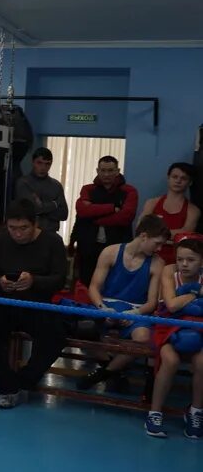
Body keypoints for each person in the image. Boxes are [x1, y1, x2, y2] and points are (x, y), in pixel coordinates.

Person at [0, 198, 68, 408]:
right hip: (3, 303)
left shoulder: (52, 242)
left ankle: (24, 380)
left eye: (23, 228)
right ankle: (5, 384)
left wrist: (34, 281)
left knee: (56, 334)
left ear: (35, 224)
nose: (17, 233)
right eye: (12, 228)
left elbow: (60, 280)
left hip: (37, 305)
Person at [74, 215, 168, 390]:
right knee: (84, 327)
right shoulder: (110, 252)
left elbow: (152, 302)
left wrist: (134, 314)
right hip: (107, 306)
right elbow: (94, 287)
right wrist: (103, 308)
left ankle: (104, 373)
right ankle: (114, 369)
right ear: (144, 236)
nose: (159, 248)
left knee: (143, 338)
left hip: (136, 311)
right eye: (157, 243)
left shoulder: (157, 263)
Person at [147, 236, 203, 439]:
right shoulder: (170, 272)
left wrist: (184, 300)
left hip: (198, 329)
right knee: (170, 360)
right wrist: (194, 294)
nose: (184, 264)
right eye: (180, 259)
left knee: (202, 363)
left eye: (191, 260)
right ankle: (154, 413)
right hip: (168, 327)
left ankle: (196, 412)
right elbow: (171, 305)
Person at [71, 156, 138, 286]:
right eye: (103, 170)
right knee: (86, 284)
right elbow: (82, 211)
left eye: (110, 170)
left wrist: (95, 217)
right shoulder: (88, 189)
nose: (106, 174)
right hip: (88, 247)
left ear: (117, 171)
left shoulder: (129, 191)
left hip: (117, 246)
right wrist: (112, 208)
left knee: (114, 285)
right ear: (97, 171)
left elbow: (125, 217)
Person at [140, 163, 200, 265]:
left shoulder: (193, 210)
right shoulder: (152, 203)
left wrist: (153, 234)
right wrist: (171, 238)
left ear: (190, 182)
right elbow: (141, 228)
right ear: (168, 178)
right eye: (175, 177)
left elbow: (185, 235)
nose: (178, 181)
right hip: (148, 257)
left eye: (183, 178)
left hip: (175, 261)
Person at [14, 147, 69, 233]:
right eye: (39, 163)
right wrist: (54, 204)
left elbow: (64, 214)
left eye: (47, 164)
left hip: (51, 233)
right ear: (33, 162)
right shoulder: (24, 183)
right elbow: (32, 210)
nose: (43, 167)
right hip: (30, 234)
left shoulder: (56, 185)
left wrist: (42, 206)